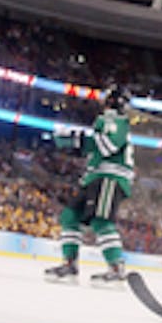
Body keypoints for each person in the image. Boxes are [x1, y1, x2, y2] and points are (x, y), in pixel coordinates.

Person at [45, 85, 135, 284]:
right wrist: (75, 142)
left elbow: (107, 145)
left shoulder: (113, 119)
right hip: (96, 177)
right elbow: (98, 145)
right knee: (70, 216)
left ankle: (116, 268)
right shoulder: (109, 120)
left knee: (101, 220)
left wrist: (77, 139)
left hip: (109, 177)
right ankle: (70, 265)